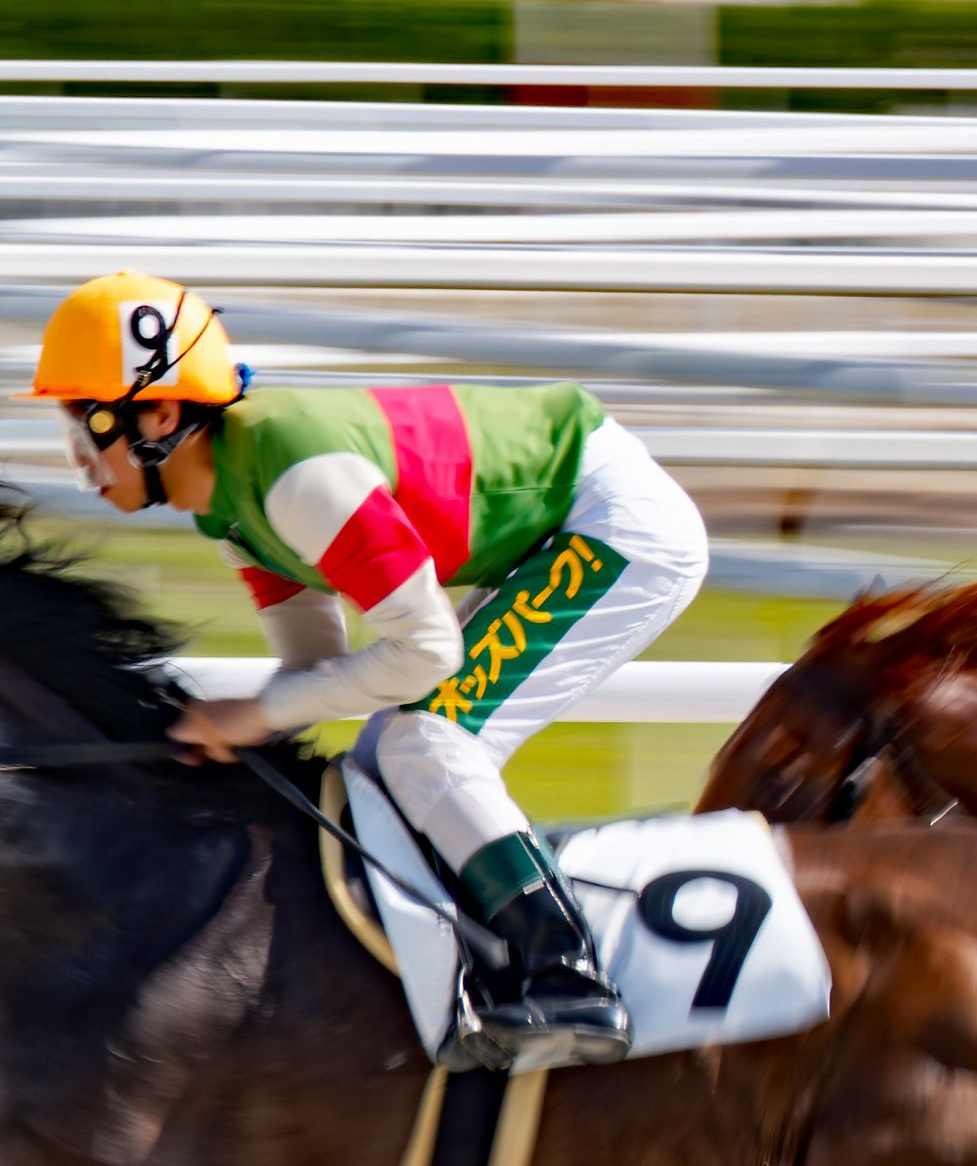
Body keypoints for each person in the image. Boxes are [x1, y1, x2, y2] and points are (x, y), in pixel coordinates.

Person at [34, 272, 712, 1069]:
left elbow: (424, 654)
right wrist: (236, 724)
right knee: (382, 755)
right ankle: (486, 963)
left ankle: (568, 976)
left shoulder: (296, 477)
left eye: (88, 421)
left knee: (428, 741)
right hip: (561, 524)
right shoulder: (226, 502)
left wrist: (253, 715)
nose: (80, 455)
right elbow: (315, 668)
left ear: (158, 415)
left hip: (615, 523)